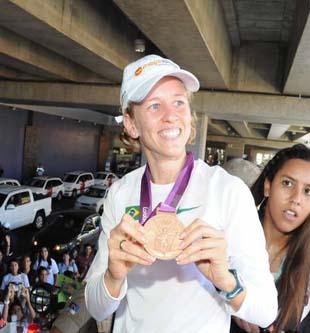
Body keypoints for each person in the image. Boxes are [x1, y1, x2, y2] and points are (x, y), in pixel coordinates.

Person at [85, 54, 277, 332]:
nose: (171, 115)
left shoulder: (227, 190)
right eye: (154, 105)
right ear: (131, 124)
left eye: (178, 101)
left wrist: (226, 281)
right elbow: (96, 306)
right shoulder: (120, 192)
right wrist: (113, 277)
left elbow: (267, 310)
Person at [235, 144, 310, 332]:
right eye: (287, 183)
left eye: (308, 191)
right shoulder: (233, 232)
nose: (296, 199)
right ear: (268, 186)